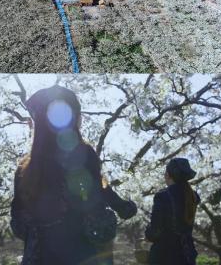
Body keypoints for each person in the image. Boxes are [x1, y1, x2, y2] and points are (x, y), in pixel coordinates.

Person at [10, 85, 137, 265]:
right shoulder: (83, 156)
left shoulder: (25, 170)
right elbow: (97, 199)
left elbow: (19, 226)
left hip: (37, 257)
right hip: (81, 254)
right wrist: (123, 208)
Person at [146, 158, 201, 265]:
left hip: (165, 256)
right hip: (187, 254)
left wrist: (148, 234)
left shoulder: (162, 196)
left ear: (168, 175)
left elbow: (155, 231)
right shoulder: (193, 196)